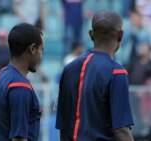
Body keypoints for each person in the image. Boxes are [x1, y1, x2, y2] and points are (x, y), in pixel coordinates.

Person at [55, 10, 134, 141]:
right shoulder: (116, 72)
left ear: (91, 35)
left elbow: (63, 129)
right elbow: (121, 130)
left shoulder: (69, 69)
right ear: (120, 35)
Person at [0, 23, 44, 141]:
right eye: (41, 50)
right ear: (32, 49)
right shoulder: (20, 87)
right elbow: (19, 139)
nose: (41, 56)